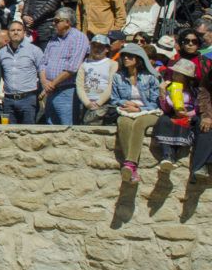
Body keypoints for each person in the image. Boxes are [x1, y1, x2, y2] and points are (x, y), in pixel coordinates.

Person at [112, 44, 162, 184]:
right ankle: (132, 169)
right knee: (123, 123)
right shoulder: (118, 77)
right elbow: (114, 98)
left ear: (138, 59)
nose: (126, 58)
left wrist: (140, 109)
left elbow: (155, 102)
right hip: (127, 110)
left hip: (149, 110)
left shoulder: (150, 77)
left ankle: (130, 164)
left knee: (139, 123)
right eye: (124, 56)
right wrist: (125, 103)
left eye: (130, 56)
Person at [39, 7, 89, 125]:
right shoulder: (53, 40)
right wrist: (44, 82)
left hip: (67, 91)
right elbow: (42, 63)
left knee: (67, 127)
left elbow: (73, 67)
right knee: (50, 125)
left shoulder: (78, 38)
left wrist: (51, 84)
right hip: (50, 91)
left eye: (56, 21)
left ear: (67, 22)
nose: (53, 24)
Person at [153, 59, 199, 171]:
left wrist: (187, 113)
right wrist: (162, 93)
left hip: (188, 113)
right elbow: (165, 108)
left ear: (186, 77)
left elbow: (198, 107)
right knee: (164, 120)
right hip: (172, 112)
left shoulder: (193, 91)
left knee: (182, 124)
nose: (174, 75)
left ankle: (171, 156)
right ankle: (167, 155)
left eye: (178, 74)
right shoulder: (170, 88)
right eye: (174, 73)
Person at [0, 21, 44, 125]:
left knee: (28, 133)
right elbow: (2, 73)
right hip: (9, 99)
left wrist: (43, 91)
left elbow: (42, 70)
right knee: (9, 133)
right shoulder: (2, 52)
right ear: (8, 33)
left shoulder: (34, 50)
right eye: (12, 30)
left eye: (19, 30)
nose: (16, 32)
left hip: (28, 99)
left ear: (24, 32)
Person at [75, 34, 118, 126]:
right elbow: (79, 85)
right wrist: (87, 103)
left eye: (100, 47)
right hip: (87, 103)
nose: (97, 49)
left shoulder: (112, 64)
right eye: (94, 46)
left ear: (107, 49)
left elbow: (112, 85)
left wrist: (99, 103)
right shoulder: (84, 64)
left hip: (105, 104)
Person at [191, 69, 212, 183]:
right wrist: (207, 116)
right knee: (204, 126)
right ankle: (200, 167)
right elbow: (204, 97)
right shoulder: (208, 77)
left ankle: (200, 165)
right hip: (209, 112)